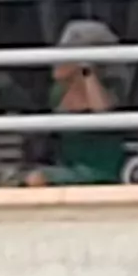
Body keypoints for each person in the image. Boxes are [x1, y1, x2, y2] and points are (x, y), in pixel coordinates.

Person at [24, 18, 129, 187]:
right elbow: (59, 81)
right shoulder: (59, 90)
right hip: (66, 165)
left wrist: (86, 70)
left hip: (100, 168)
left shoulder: (112, 85)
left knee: (37, 179)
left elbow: (101, 109)